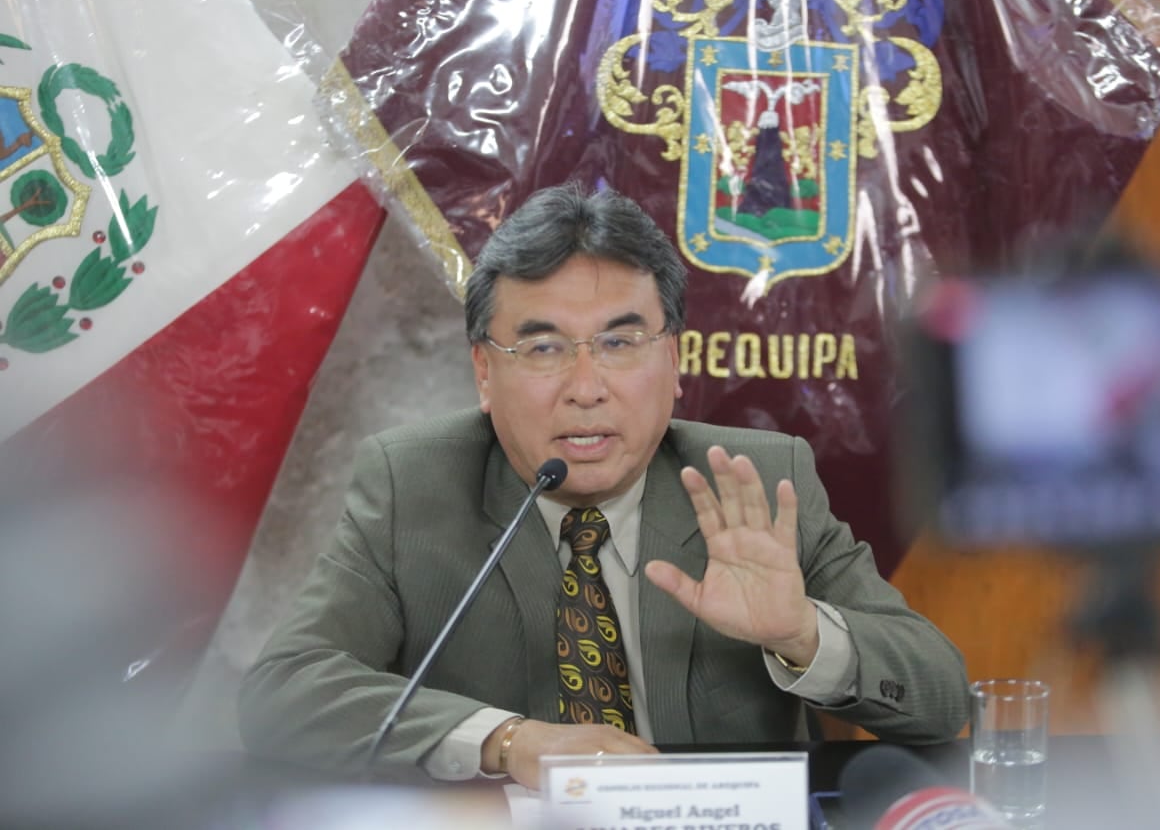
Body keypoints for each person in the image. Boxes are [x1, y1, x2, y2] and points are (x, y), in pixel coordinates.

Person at [238, 184, 968, 789]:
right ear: (485, 373)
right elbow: (286, 691)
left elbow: (938, 697)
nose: (586, 389)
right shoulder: (413, 484)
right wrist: (511, 740)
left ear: (676, 361)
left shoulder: (756, 483)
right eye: (544, 347)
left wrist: (801, 633)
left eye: (620, 343)